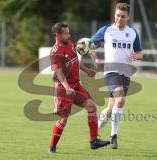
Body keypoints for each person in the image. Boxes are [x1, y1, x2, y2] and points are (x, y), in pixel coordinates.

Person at [48, 22, 110, 153]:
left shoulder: (70, 44)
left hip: (76, 85)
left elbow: (76, 61)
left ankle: (94, 141)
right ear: (58, 35)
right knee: (64, 119)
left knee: (92, 107)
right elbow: (58, 72)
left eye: (68, 32)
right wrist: (66, 87)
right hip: (62, 89)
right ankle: (52, 147)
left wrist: (87, 71)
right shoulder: (55, 52)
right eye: (65, 33)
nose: (69, 35)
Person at [90, 3, 143, 149]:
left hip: (125, 72)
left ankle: (94, 134)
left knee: (111, 107)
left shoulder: (132, 33)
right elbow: (88, 44)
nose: (119, 19)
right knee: (120, 98)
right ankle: (113, 137)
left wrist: (136, 56)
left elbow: (140, 53)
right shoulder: (106, 30)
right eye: (117, 15)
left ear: (128, 17)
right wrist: (95, 59)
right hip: (111, 71)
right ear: (114, 15)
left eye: (123, 16)